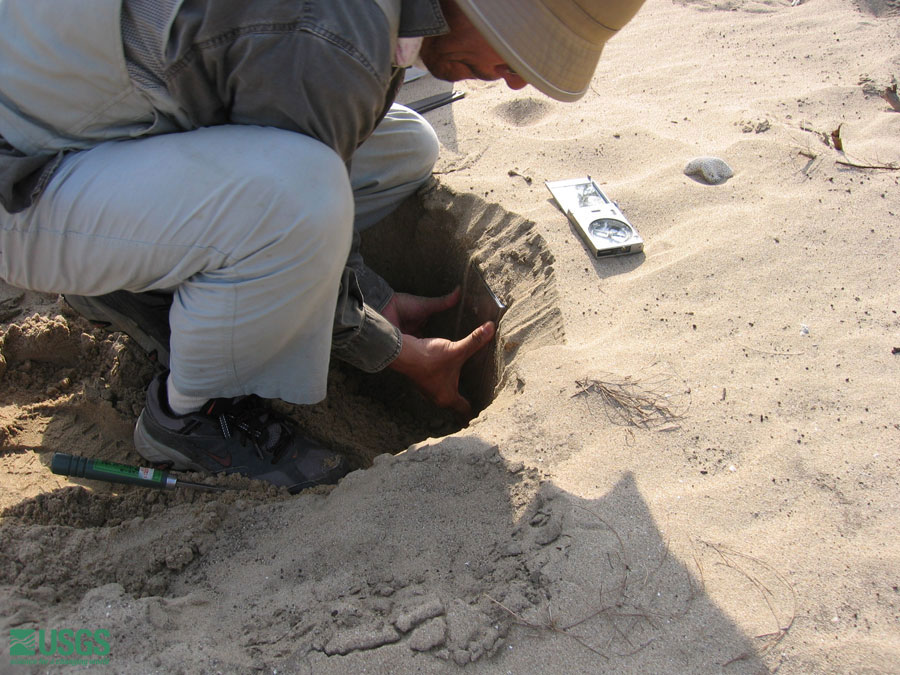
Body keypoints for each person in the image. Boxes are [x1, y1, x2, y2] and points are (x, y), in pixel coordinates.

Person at [0, 0, 646, 492]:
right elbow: (293, 190)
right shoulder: (330, 33)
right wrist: (388, 348)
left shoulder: (363, 18)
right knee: (291, 196)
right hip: (22, 182)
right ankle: (190, 418)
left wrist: (371, 294)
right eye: (517, 51)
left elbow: (304, 145)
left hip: (88, 131)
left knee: (399, 146)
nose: (514, 84)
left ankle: (148, 288)